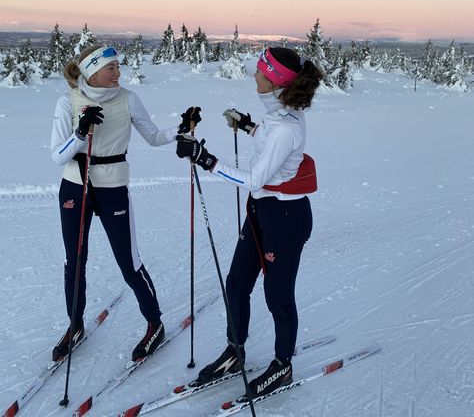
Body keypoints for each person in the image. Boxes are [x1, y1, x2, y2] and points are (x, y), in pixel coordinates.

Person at [176, 46, 322, 398]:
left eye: (260, 72)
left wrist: (206, 159)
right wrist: (248, 126)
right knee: (237, 283)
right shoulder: (278, 116)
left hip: (284, 218)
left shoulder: (287, 126)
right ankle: (234, 351)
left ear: (275, 82)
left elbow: (255, 179)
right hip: (262, 212)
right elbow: (270, 137)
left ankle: (282, 365)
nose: (254, 76)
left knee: (278, 296)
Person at [51, 43, 200, 362]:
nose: (119, 73)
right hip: (75, 187)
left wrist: (181, 131)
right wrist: (80, 132)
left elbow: (153, 136)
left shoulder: (128, 99)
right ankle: (75, 325)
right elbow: (56, 155)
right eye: (112, 68)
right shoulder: (68, 101)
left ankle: (155, 324)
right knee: (74, 261)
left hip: (113, 187)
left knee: (128, 262)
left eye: (119, 67)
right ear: (92, 72)